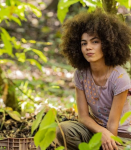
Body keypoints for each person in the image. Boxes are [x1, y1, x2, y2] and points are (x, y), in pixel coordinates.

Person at [56, 9, 131, 150]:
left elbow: (113, 126)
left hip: (119, 136)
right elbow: (83, 117)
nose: (88, 47)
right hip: (94, 131)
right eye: (84, 43)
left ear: (108, 43)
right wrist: (100, 132)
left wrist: (106, 139)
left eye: (94, 42)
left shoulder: (120, 78)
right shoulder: (81, 75)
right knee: (63, 129)